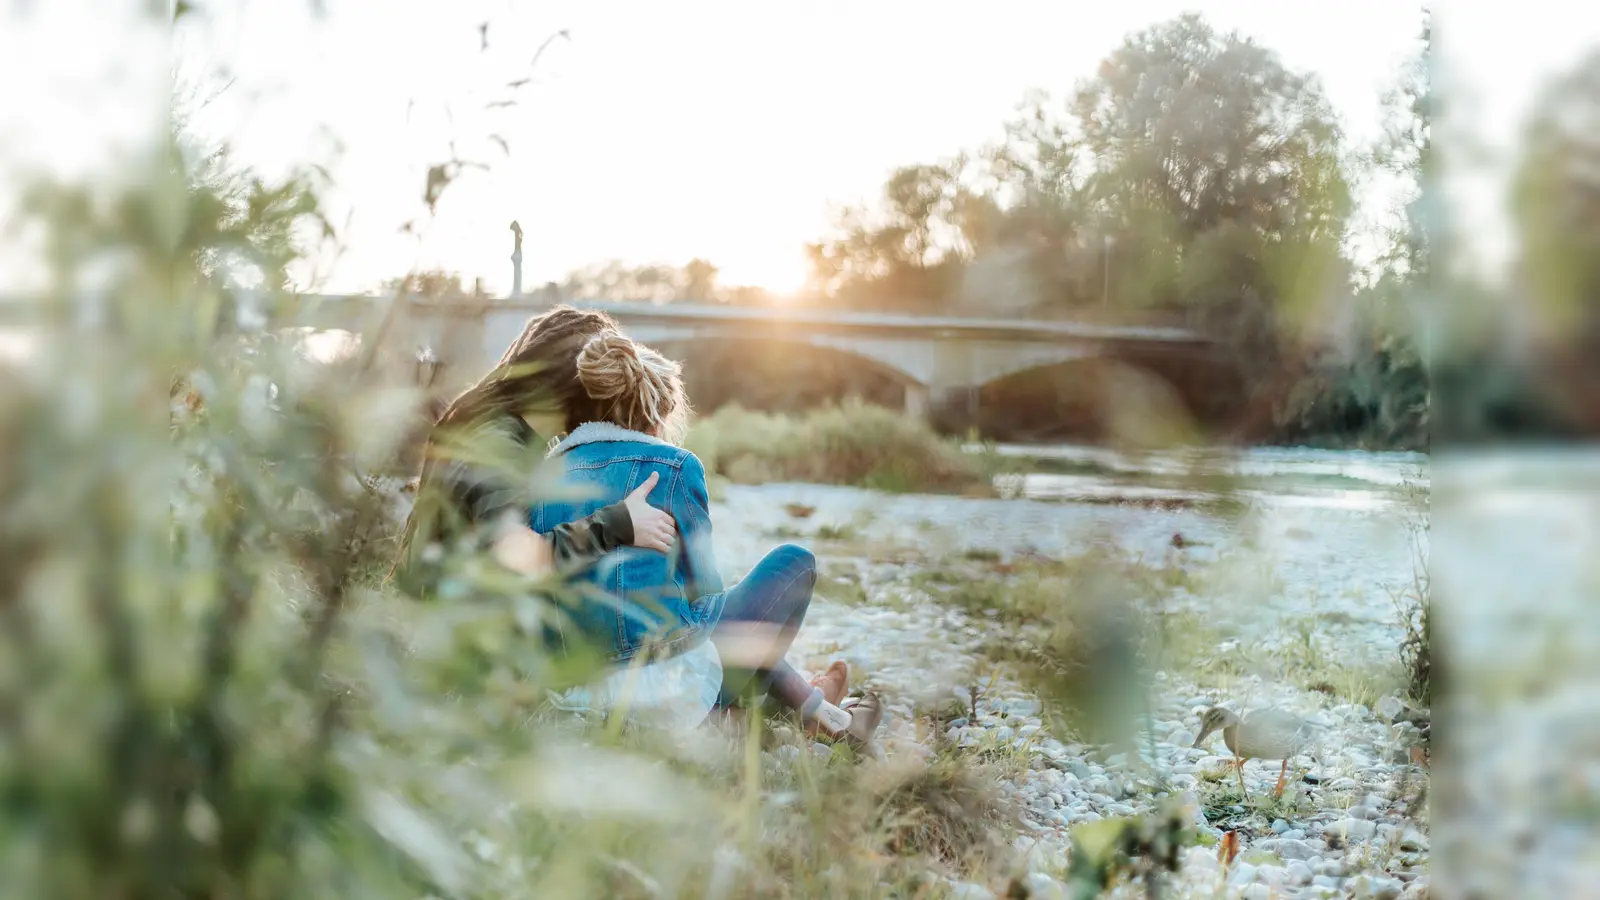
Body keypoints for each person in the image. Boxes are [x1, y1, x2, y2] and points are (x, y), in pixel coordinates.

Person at [531, 331, 883, 746]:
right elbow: (706, 593)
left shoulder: (542, 477)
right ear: (657, 409)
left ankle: (810, 703)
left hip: (572, 693)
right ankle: (815, 710)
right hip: (672, 693)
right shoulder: (675, 466)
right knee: (795, 562)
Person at [393, 306, 677, 594]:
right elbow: (515, 555)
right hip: (455, 630)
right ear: (575, 382)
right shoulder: (498, 443)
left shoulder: (523, 439)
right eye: (604, 381)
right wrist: (620, 523)